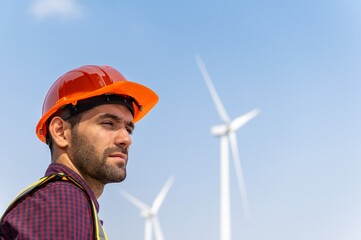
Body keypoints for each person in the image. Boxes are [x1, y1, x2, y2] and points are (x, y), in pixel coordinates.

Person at [0, 65, 159, 239]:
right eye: (108, 123)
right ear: (60, 132)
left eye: (128, 129)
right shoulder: (63, 201)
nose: (126, 139)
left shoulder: (70, 203)